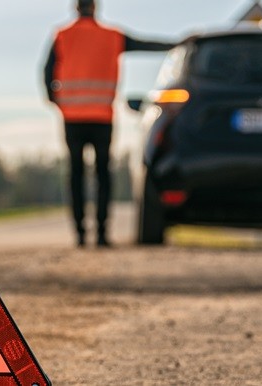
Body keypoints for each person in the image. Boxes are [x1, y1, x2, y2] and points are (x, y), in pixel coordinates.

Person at [43, 0, 175, 247]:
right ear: (95, 7)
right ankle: (102, 233)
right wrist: (181, 43)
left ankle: (81, 234)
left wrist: (58, 102)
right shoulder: (112, 36)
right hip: (102, 118)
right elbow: (146, 44)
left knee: (76, 174)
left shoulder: (62, 35)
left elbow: (46, 73)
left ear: (76, 8)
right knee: (103, 174)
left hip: (72, 118)